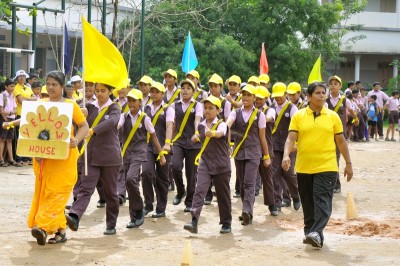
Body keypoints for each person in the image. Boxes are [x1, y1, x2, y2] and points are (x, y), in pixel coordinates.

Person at [3, 71, 89, 245]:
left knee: (57, 193)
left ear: (62, 87)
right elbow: (28, 118)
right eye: (48, 84)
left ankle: (42, 228)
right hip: (44, 158)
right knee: (46, 193)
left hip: (64, 159)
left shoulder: (70, 105)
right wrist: (10, 123)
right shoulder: (41, 103)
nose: (50, 87)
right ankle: (61, 231)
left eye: (54, 84)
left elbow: (84, 126)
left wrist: (76, 140)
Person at [282, 82, 353, 248]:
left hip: (327, 166)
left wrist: (348, 163)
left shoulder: (333, 117)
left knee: (322, 200)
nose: (322, 95)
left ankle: (315, 232)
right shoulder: (298, 116)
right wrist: (286, 155)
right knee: (308, 202)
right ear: (308, 97)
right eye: (318, 93)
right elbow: (291, 138)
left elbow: (341, 141)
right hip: (304, 166)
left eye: (323, 93)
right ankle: (312, 233)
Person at [67, 82, 122, 236]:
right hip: (90, 156)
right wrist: (80, 113)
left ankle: (111, 225)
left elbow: (112, 122)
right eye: (97, 90)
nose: (99, 93)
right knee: (86, 187)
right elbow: (78, 121)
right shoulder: (89, 107)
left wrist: (92, 130)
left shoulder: (115, 107)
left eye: (103, 90)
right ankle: (74, 216)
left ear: (110, 91)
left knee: (111, 193)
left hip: (110, 158)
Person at [118, 89, 166, 228]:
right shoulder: (124, 116)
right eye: (129, 100)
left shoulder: (145, 118)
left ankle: (139, 209)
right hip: (126, 153)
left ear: (140, 102)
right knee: (129, 183)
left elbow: (154, 136)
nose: (131, 103)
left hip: (140, 153)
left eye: (134, 100)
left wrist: (161, 154)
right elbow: (118, 125)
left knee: (130, 179)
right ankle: (134, 217)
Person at [184, 95, 232, 234]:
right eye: (205, 108)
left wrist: (213, 133)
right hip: (205, 163)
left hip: (221, 164)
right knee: (200, 190)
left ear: (218, 111)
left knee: (223, 194)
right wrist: (196, 137)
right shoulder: (201, 125)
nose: (207, 111)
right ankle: (194, 221)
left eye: (211, 108)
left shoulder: (222, 124)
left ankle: (226, 223)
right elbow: (200, 135)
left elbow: (221, 133)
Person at [226, 84, 271, 225]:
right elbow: (227, 126)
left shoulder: (260, 115)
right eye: (243, 94)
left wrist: (267, 156)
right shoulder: (235, 112)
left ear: (254, 98)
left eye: (248, 95)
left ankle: (247, 211)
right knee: (242, 185)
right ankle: (246, 210)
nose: (245, 97)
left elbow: (262, 137)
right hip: (239, 153)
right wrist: (227, 143)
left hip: (254, 153)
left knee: (249, 183)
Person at [141, 82, 174, 218]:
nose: (154, 94)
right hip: (148, 146)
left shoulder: (168, 109)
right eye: (152, 91)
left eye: (157, 91)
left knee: (162, 178)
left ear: (162, 94)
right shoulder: (145, 108)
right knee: (146, 173)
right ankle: (148, 204)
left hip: (163, 147)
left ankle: (161, 207)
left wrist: (167, 143)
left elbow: (169, 126)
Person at [171, 79, 203, 212]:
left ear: (194, 91)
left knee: (191, 174)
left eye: (188, 88)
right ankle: (180, 191)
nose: (185, 90)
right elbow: (171, 124)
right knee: (175, 165)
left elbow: (197, 121)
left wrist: (197, 133)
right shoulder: (174, 105)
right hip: (178, 141)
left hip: (193, 143)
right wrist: (169, 140)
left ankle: (189, 201)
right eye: (182, 88)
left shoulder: (198, 105)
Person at [270, 82, 301, 211]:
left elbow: (298, 128)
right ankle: (277, 202)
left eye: (280, 96)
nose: (278, 99)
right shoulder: (271, 108)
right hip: (275, 146)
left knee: (288, 173)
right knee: (275, 174)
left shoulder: (292, 108)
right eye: (275, 96)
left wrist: (296, 144)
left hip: (289, 147)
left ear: (285, 94)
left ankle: (295, 196)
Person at [327, 75, 358, 193]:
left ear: (340, 86)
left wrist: (356, 119)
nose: (333, 85)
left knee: (336, 158)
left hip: (339, 133)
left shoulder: (345, 100)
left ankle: (336, 184)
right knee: (329, 158)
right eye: (331, 83)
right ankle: (333, 183)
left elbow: (351, 110)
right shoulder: (325, 99)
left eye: (336, 83)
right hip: (327, 132)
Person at [254, 85, 278, 216]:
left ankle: (272, 204)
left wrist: (258, 117)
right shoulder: (247, 110)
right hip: (251, 149)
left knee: (267, 178)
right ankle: (248, 209)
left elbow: (269, 118)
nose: (257, 101)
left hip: (266, 149)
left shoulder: (270, 111)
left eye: (260, 99)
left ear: (266, 98)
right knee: (249, 180)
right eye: (256, 98)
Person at [0, 79, 20, 167]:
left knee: (9, 139)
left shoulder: (12, 96)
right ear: (6, 86)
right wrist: (6, 117)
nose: (12, 88)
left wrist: (9, 113)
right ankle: (1, 159)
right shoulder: (2, 95)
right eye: (11, 86)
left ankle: (11, 159)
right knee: (2, 139)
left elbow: (15, 110)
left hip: (11, 119)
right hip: (5, 119)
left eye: (13, 86)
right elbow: (1, 111)